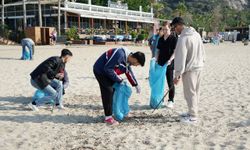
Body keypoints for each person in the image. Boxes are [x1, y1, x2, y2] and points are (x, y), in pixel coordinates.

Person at [93, 47, 145, 125]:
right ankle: (108, 117)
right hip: (100, 71)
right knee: (108, 91)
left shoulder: (128, 59)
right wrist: (120, 80)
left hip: (108, 72)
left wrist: (136, 85)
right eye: (137, 64)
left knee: (116, 89)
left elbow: (128, 72)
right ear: (135, 59)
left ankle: (116, 111)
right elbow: (108, 68)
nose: (136, 65)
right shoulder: (119, 54)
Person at [171, 17, 205, 123]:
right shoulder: (197, 34)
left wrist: (177, 75)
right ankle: (192, 111)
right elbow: (203, 51)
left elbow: (180, 58)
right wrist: (202, 62)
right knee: (196, 91)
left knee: (189, 92)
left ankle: (193, 115)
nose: (175, 30)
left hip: (190, 69)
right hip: (199, 67)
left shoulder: (183, 38)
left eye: (174, 27)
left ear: (179, 25)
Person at [157, 21, 178, 108]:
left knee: (170, 82)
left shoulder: (174, 39)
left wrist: (170, 60)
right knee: (160, 82)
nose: (165, 31)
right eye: (163, 29)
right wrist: (155, 58)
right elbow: (158, 50)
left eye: (166, 29)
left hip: (169, 64)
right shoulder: (161, 39)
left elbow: (175, 52)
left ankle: (171, 100)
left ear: (170, 29)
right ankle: (160, 100)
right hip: (160, 63)